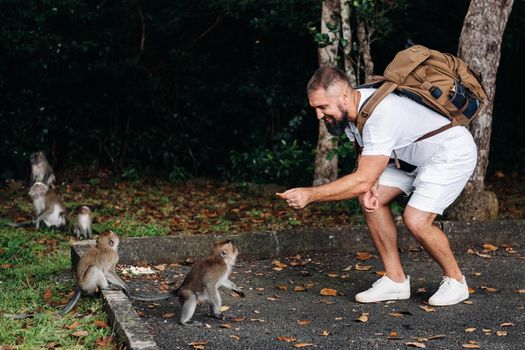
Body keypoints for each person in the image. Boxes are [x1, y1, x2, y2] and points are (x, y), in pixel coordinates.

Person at [277, 66, 477, 306]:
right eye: (315, 108)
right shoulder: (350, 112)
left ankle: (456, 281)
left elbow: (362, 179)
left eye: (323, 107)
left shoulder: (380, 113)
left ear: (343, 96)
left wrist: (311, 194)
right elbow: (364, 157)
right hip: (407, 159)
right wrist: (370, 183)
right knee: (370, 200)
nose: (319, 115)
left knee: (415, 220)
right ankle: (396, 281)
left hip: (449, 152)